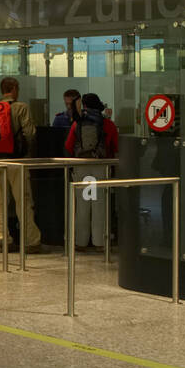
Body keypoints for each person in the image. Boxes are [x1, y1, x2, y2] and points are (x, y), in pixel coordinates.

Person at [0, 77, 42, 253]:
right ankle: (31, 241)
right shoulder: (21, 107)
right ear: (14, 89)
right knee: (23, 199)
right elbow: (30, 133)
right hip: (17, 160)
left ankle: (3, 239)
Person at [64, 92, 119, 252]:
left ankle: (80, 241)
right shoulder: (107, 124)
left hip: (81, 167)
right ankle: (100, 242)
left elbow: (68, 146)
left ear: (85, 106)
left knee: (82, 203)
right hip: (101, 166)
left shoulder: (77, 124)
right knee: (99, 203)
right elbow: (115, 147)